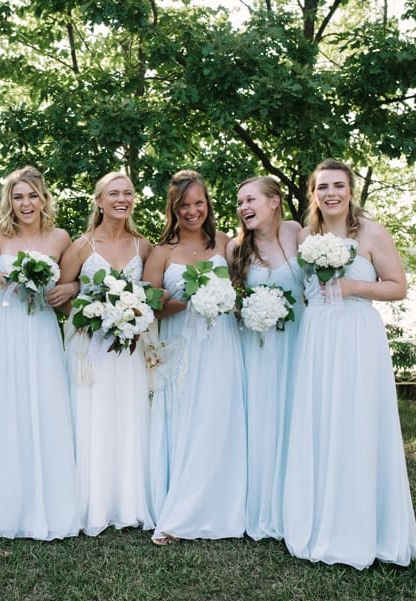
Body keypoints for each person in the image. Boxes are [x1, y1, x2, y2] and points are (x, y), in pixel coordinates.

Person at [281, 159, 416, 569]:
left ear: (350, 190)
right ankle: (319, 519)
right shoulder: (306, 235)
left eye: (338, 185)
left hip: (358, 335)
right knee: (321, 420)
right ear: (313, 194)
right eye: (322, 187)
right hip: (317, 335)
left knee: (357, 422)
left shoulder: (373, 232)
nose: (331, 194)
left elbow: (398, 287)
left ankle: (361, 527)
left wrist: (353, 285)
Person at [0, 166, 79, 540]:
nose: (26, 204)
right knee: (4, 406)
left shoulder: (60, 237)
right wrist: (7, 278)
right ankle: (1, 505)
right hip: (4, 323)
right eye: (18, 197)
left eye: (32, 196)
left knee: (45, 404)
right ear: (8, 201)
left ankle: (48, 502)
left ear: (43, 198)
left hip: (42, 327)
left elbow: (74, 278)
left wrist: (72, 287)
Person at [143, 169, 245, 545]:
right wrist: (187, 298)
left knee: (216, 420)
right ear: (173, 208)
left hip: (220, 346)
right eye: (184, 205)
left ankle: (219, 507)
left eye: (198, 203)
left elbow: (243, 288)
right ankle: (179, 509)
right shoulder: (162, 252)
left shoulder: (225, 244)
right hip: (181, 347)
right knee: (183, 421)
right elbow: (150, 306)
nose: (192, 211)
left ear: (208, 204)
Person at [57, 171, 154, 536]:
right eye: (113, 193)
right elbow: (60, 294)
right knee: (91, 417)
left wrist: (130, 316)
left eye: (127, 193)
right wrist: (85, 314)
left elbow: (150, 297)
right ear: (99, 201)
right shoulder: (82, 246)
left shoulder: (143, 247)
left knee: (127, 416)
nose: (121, 199)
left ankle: (126, 503)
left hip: (128, 347)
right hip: (90, 348)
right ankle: (91, 503)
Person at [225, 176, 304, 541]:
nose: (243, 207)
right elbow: (233, 301)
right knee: (259, 418)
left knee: (295, 416)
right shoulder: (236, 248)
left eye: (250, 199)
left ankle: (296, 501)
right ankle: (257, 503)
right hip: (255, 347)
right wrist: (250, 309)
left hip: (297, 342)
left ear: (274, 202)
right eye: (240, 202)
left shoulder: (296, 232)